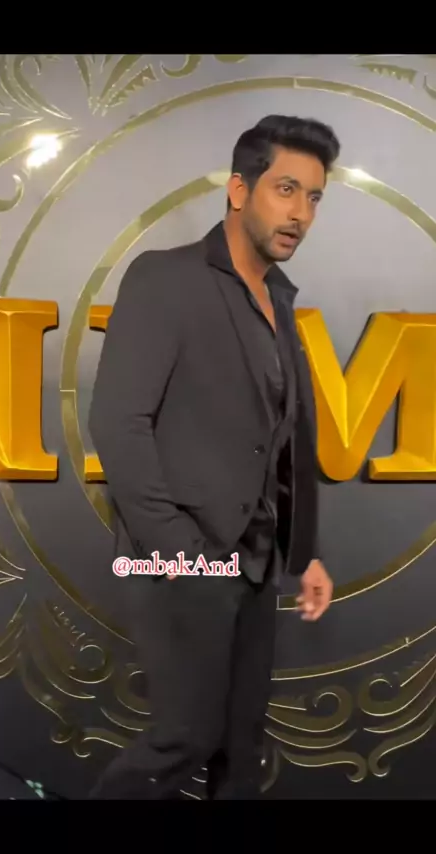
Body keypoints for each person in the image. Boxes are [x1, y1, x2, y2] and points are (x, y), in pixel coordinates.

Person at [88, 114, 338, 800]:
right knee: (184, 738)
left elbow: (287, 439)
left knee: (241, 747)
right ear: (238, 189)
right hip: (184, 558)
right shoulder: (166, 278)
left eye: (314, 196)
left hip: (255, 562)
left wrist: (304, 553)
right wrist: (180, 554)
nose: (300, 213)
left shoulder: (279, 298)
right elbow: (118, 422)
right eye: (286, 189)